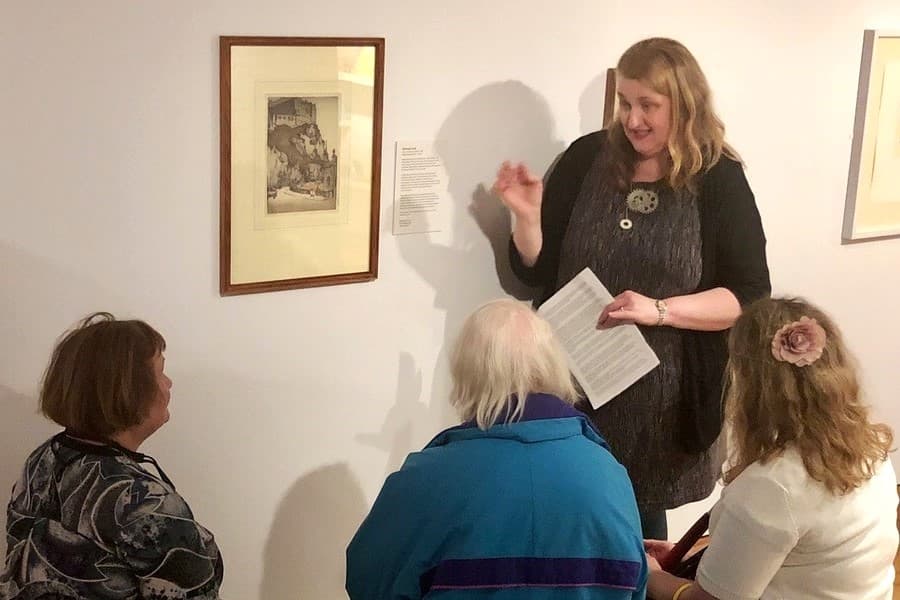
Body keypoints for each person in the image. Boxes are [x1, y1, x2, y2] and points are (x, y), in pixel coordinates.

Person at [494, 37, 771, 539]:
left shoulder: (718, 179)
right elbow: (537, 272)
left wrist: (659, 310)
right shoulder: (585, 160)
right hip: (570, 388)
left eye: (649, 105)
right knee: (564, 522)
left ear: (684, 105)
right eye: (625, 102)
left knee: (638, 542)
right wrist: (527, 219)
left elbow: (748, 296)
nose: (632, 118)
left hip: (663, 405)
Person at [346, 299, 648, 599]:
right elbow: (636, 587)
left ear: (467, 373)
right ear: (554, 365)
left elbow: (368, 582)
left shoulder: (423, 479)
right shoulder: (609, 474)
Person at [644, 296, 897, 599]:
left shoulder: (771, 486)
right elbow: (810, 558)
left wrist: (651, 575)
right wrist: (710, 554)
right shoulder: (872, 444)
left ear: (751, 387)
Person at [1, 313, 223, 600]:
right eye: (160, 372)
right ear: (128, 388)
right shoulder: (144, 506)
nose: (169, 384)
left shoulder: (44, 460)